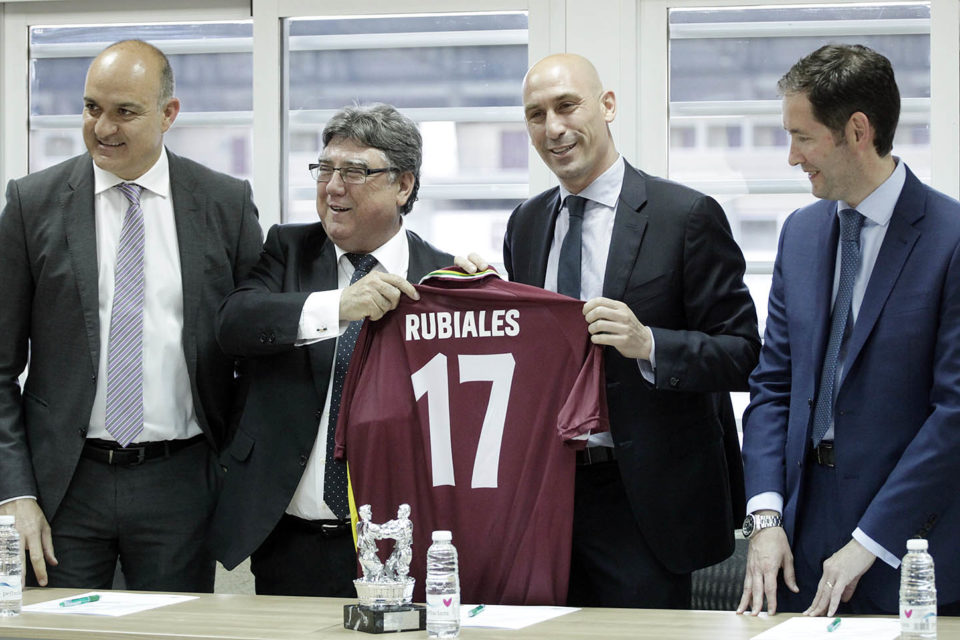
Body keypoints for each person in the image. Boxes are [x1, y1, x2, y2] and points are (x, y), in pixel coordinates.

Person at [463, 53, 760, 608]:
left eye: (566, 105)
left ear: (607, 105)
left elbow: (743, 354)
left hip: (643, 500)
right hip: (546, 493)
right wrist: (481, 302)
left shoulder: (686, 215)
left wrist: (650, 343)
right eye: (535, 115)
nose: (553, 127)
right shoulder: (525, 223)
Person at [0, 39, 262, 592]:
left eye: (125, 112)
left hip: (182, 484)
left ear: (169, 114)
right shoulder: (32, 203)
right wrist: (15, 493)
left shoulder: (224, 203)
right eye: (92, 108)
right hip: (63, 485)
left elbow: (257, 340)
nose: (103, 128)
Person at [737, 44, 960, 618]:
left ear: (857, 130)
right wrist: (765, 518)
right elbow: (773, 386)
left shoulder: (951, 237)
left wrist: (869, 543)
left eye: (803, 137)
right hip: (799, 544)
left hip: (909, 547)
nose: (792, 157)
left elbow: (954, 413)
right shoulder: (801, 233)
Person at [207, 103, 453, 597]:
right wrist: (339, 304)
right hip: (291, 537)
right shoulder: (288, 249)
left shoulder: (440, 278)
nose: (333, 186)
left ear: (403, 185)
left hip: (398, 542)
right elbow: (233, 324)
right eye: (325, 169)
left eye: (355, 171)